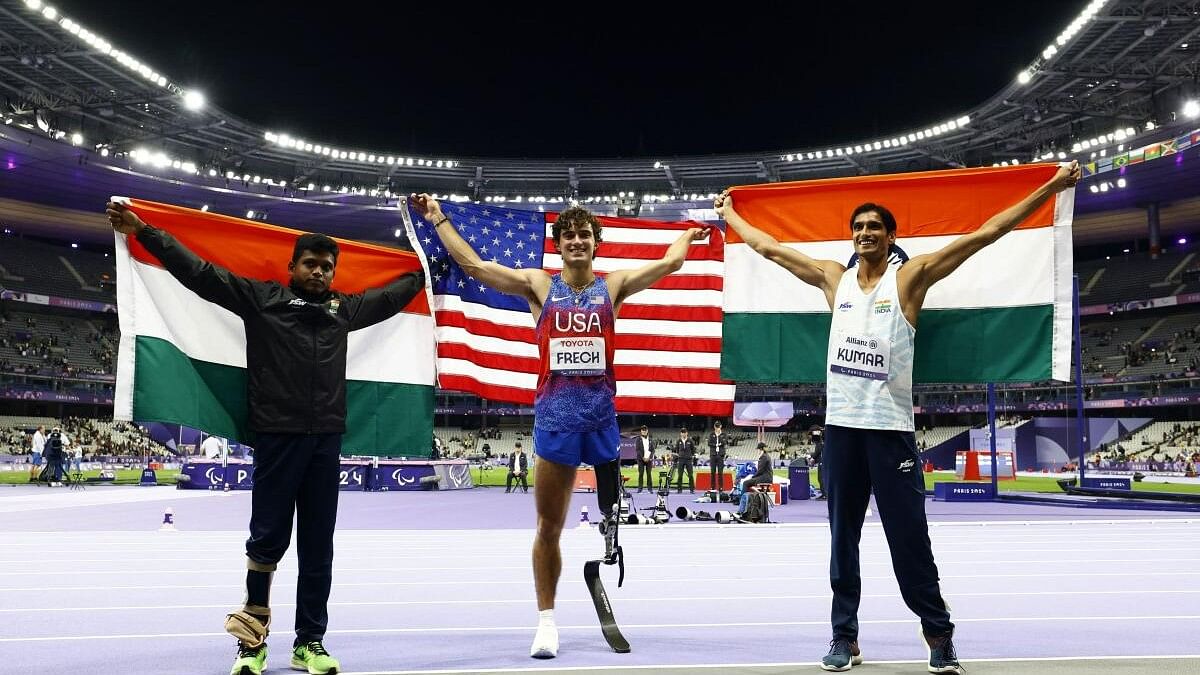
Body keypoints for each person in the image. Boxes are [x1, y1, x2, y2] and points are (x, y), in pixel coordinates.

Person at [715, 161, 1080, 673]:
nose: (865, 233)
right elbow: (768, 248)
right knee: (842, 540)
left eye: (874, 227)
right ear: (853, 237)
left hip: (890, 433)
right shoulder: (832, 280)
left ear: (890, 236)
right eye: (858, 227)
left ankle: (938, 635)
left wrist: (1050, 187)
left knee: (909, 540)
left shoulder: (910, 278)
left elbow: (987, 234)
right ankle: (845, 637)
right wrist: (731, 214)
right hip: (842, 431)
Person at [106, 201, 424, 675]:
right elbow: (200, 273)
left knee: (319, 547)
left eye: (327, 267)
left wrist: (428, 270)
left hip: (325, 443)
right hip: (277, 438)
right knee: (266, 543)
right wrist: (146, 233)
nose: (319, 272)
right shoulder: (262, 299)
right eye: (311, 264)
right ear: (292, 267)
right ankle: (251, 643)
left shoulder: (345, 310)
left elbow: (396, 295)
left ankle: (309, 643)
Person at [412, 194, 707, 658]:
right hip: (555, 420)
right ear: (559, 244)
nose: (576, 241)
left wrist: (687, 235)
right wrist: (438, 218)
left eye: (584, 235)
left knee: (612, 519)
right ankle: (546, 622)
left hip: (603, 419)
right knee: (549, 526)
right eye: (568, 235)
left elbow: (670, 263)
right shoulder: (538, 286)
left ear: (596, 243)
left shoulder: (614, 286)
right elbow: (472, 265)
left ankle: (609, 540)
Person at [667, 427, 696, 493]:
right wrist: (680, 455)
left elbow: (693, 449)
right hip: (681, 459)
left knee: (690, 475)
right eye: (682, 433)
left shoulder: (690, 441)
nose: (683, 434)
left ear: (687, 433)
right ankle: (679, 489)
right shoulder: (678, 441)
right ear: (680, 434)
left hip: (688, 460)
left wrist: (690, 455)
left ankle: (692, 489)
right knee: (680, 475)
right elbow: (677, 450)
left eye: (684, 432)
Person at [707, 420, 728, 499]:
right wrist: (716, 444)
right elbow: (709, 443)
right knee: (712, 472)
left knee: (720, 472)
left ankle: (721, 488)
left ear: (720, 427)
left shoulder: (723, 434)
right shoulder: (711, 434)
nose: (717, 429)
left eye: (718, 427)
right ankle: (712, 487)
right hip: (713, 455)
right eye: (716, 427)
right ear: (714, 427)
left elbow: (725, 442)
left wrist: (720, 442)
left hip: (720, 455)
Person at [634, 425, 655, 492]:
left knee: (649, 474)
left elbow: (653, 450)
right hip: (641, 459)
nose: (644, 431)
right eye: (643, 430)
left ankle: (650, 488)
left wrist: (649, 457)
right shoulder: (638, 439)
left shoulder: (650, 439)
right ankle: (640, 488)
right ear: (641, 431)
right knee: (641, 473)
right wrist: (643, 458)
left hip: (648, 459)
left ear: (647, 431)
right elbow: (637, 450)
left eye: (645, 430)